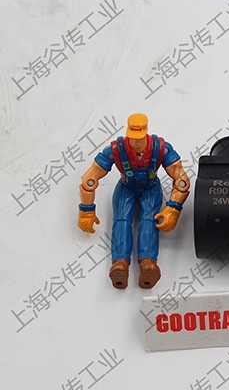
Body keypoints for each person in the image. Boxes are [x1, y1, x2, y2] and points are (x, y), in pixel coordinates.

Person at [77, 113, 190, 289]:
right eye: (133, 138)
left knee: (149, 221)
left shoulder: (160, 148)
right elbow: (89, 179)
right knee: (121, 221)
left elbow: (181, 179)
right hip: (126, 188)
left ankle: (148, 263)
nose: (136, 142)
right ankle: (120, 263)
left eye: (139, 138)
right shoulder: (116, 150)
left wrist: (173, 208)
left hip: (150, 188)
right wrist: (86, 210)